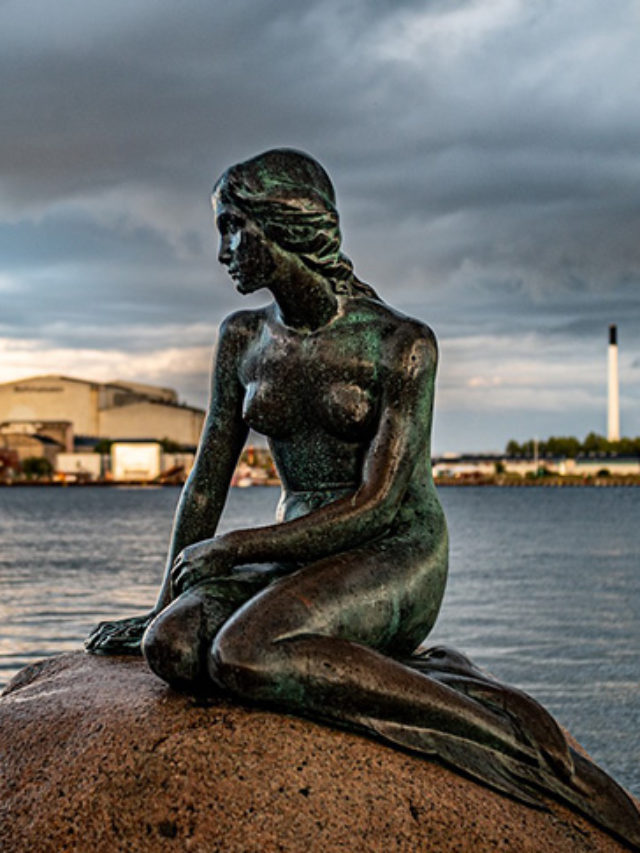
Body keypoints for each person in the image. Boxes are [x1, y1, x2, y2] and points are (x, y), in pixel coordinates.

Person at [86, 149, 640, 847]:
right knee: (169, 644)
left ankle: (503, 732)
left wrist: (234, 548)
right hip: (297, 554)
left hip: (393, 550)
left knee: (245, 655)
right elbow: (206, 480)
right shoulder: (242, 340)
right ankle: (375, 665)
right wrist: (161, 601)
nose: (222, 250)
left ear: (284, 224)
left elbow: (380, 502)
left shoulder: (399, 343)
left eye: (232, 228)